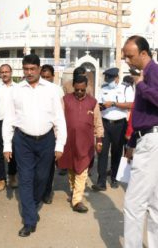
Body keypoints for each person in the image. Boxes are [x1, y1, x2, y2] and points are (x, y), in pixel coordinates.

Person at [3, 54, 66, 237]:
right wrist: (7, 145)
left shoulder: (52, 89)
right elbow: (9, 118)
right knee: (25, 179)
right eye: (26, 69)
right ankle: (29, 220)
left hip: (46, 140)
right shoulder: (16, 90)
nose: (29, 72)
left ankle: (32, 204)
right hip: (23, 141)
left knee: (42, 178)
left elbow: (59, 118)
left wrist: (60, 144)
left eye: (32, 69)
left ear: (39, 69)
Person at [122, 36, 158, 248]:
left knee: (134, 203)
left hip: (154, 140)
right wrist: (132, 142)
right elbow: (143, 114)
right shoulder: (146, 74)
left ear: (143, 53)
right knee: (156, 203)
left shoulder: (154, 72)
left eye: (130, 56)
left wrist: (141, 85)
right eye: (125, 56)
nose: (127, 60)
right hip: (151, 138)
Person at [58, 75, 103, 213]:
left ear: (86, 87)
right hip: (68, 142)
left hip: (85, 143)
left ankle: (77, 200)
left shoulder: (93, 102)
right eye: (77, 89)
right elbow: (59, 120)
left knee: (82, 169)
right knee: (71, 168)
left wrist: (99, 140)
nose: (79, 92)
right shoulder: (65, 100)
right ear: (73, 86)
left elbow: (98, 122)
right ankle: (74, 191)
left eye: (82, 90)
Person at [93, 67, 134, 191]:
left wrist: (113, 104)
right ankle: (101, 182)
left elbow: (131, 104)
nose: (109, 81)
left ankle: (114, 178)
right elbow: (98, 105)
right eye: (107, 79)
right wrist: (101, 107)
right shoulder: (103, 88)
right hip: (105, 124)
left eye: (111, 79)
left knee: (117, 152)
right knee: (102, 152)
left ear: (117, 78)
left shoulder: (126, 88)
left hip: (120, 125)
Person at [40, 63, 64, 204]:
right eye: (43, 77)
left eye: (48, 77)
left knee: (49, 164)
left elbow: (61, 113)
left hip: (51, 132)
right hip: (36, 131)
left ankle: (47, 192)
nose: (45, 79)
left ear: (53, 77)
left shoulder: (57, 90)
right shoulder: (34, 89)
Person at [0, 64, 17, 191]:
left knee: (14, 150)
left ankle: (12, 176)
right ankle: (0, 179)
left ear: (11, 72)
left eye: (7, 71)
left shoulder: (18, 88)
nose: (5, 74)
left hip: (14, 123)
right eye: (2, 72)